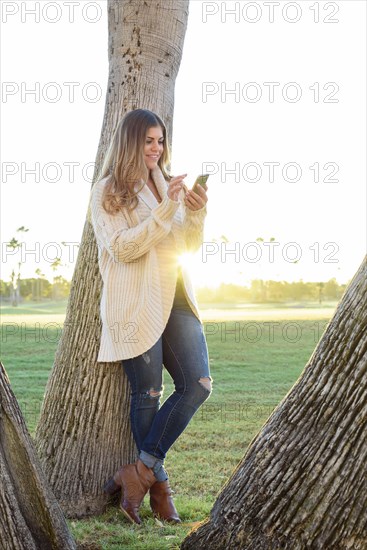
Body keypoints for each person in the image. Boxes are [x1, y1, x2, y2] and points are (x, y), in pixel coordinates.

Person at [89, 108, 212, 525]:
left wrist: (194, 211)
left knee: (197, 384)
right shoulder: (107, 191)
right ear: (129, 143)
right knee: (148, 393)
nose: (156, 149)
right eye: (148, 141)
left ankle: (136, 473)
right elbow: (122, 248)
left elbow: (187, 246)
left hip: (177, 295)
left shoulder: (167, 184)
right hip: (135, 302)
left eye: (160, 141)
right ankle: (160, 491)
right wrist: (165, 212)